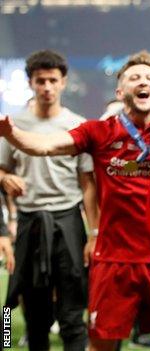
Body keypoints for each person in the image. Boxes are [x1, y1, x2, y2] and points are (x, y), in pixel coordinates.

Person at [0, 56, 150, 351]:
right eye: (134, 78)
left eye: (148, 76)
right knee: (101, 344)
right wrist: (12, 134)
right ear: (120, 93)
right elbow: (45, 146)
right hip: (113, 260)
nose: (142, 81)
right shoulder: (99, 131)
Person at [0, 49, 97, 351]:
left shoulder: (78, 124)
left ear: (63, 82)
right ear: (30, 83)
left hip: (68, 220)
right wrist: (4, 178)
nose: (47, 87)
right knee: (35, 314)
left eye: (53, 80)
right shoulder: (12, 126)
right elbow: (2, 169)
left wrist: (93, 234)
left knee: (71, 313)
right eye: (40, 80)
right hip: (30, 223)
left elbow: (88, 184)